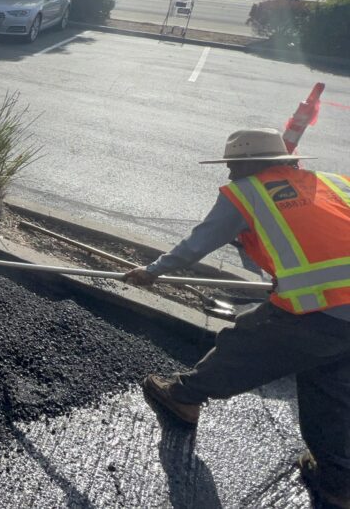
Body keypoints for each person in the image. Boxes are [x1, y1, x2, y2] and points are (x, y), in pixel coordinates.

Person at [124, 128, 350, 508]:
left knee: (246, 345)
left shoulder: (247, 192)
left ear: (249, 164)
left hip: (322, 310)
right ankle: (338, 483)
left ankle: (183, 396)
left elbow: (198, 244)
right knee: (330, 389)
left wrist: (152, 271)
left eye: (232, 165)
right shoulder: (332, 182)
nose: (229, 173)